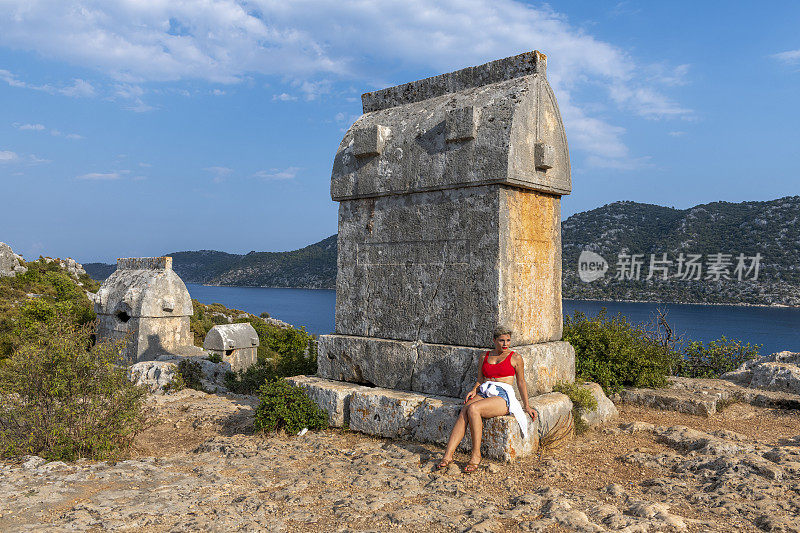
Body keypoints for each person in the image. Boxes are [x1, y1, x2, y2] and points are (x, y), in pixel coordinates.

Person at [437, 325, 538, 473]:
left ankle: (476, 455)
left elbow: (521, 382)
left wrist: (527, 406)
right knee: (464, 410)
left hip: (502, 395)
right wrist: (473, 390)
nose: (505, 344)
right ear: (494, 340)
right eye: (501, 340)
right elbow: (480, 380)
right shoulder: (484, 356)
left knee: (473, 409)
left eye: (508, 341)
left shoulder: (515, 357)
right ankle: (448, 455)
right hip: (485, 391)